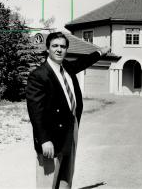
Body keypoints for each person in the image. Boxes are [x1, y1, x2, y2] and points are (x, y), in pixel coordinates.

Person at [26, 32, 109, 188]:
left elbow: (84, 62)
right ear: (47, 49)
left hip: (71, 128)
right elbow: (35, 111)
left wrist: (100, 52)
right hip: (51, 136)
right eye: (55, 46)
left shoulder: (67, 68)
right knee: (48, 182)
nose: (59, 50)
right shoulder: (39, 75)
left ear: (66, 50)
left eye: (63, 46)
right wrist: (44, 140)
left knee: (66, 177)